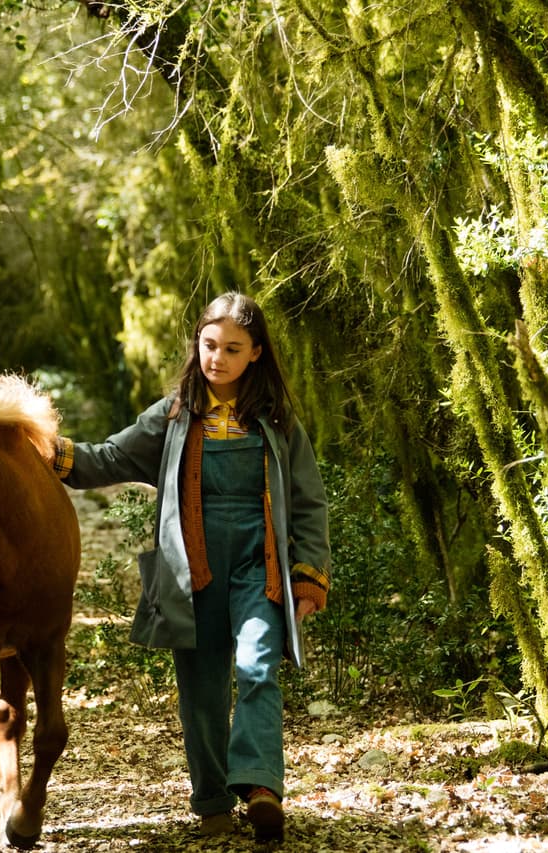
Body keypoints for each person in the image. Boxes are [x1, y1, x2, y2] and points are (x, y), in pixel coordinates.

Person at [52, 292, 331, 841]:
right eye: (209, 344)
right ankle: (211, 802)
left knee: (257, 667)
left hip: (261, 567)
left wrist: (309, 575)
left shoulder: (277, 419)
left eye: (232, 348)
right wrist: (52, 453)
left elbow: (308, 501)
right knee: (200, 689)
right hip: (191, 570)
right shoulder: (174, 414)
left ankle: (260, 788)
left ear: (255, 353)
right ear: (197, 344)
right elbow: (110, 457)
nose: (217, 357)